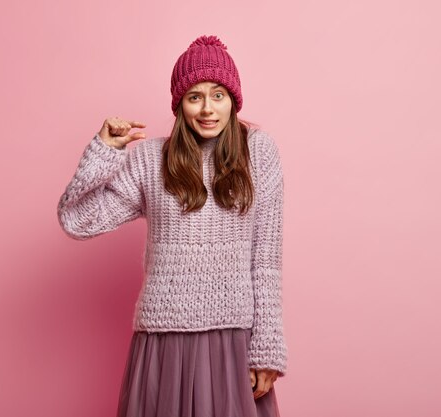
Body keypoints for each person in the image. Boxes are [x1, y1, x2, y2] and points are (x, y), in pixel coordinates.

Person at [57, 34, 287, 417]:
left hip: (233, 340)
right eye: (195, 96)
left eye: (218, 95)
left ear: (234, 99)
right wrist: (105, 150)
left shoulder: (259, 152)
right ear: (180, 104)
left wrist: (268, 348)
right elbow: (76, 219)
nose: (208, 108)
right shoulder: (151, 159)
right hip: (164, 343)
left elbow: (266, 259)